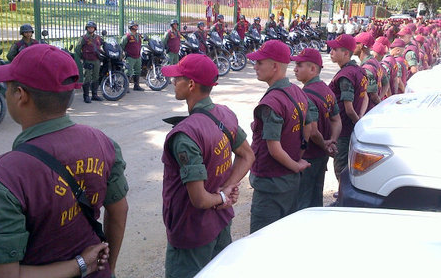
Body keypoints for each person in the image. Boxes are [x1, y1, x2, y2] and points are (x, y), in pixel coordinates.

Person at [0, 44, 129, 278]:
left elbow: (6, 274)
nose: (5, 94)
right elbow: (119, 210)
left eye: (8, 88)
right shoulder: (103, 142)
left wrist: (80, 264)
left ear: (20, 96)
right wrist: (110, 267)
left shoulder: (6, 176)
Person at [161, 54, 255, 278]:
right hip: (221, 222)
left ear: (191, 85)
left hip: (191, 232)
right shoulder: (224, 114)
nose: (173, 82)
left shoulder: (186, 135)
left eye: (178, 78)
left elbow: (200, 199)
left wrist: (222, 196)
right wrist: (226, 190)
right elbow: (247, 155)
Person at [246, 40, 315, 233]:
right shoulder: (297, 92)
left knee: (261, 240)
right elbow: (308, 127)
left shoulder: (272, 102)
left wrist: (296, 165)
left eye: (260, 62)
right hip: (290, 182)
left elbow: (273, 148)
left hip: (270, 183)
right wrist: (298, 158)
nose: (255, 66)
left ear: (275, 66)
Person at [292, 48, 342, 209]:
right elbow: (336, 120)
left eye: (299, 65)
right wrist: (332, 141)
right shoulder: (327, 90)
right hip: (321, 156)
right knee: (316, 197)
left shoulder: (305, 95)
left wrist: (325, 145)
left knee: (302, 202)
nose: (294, 69)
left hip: (309, 156)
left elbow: (312, 130)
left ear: (313, 69)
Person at [327, 34, 368, 180]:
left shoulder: (346, 75)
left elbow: (349, 108)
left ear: (345, 53)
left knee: (341, 169)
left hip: (344, 130)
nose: (331, 52)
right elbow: (365, 97)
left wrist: (358, 123)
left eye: (335, 49)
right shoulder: (359, 70)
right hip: (351, 127)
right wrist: (360, 119)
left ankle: (342, 200)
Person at [354, 32, 388, 111]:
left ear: (361, 46)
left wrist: (380, 107)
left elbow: (373, 96)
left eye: (355, 43)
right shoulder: (375, 61)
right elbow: (386, 84)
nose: (352, 46)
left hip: (368, 111)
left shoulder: (367, 68)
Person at [75, 21, 103, 103]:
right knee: (87, 78)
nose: (91, 29)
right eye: (89, 27)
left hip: (96, 60)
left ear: (95, 29)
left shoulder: (98, 37)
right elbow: (77, 49)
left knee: (96, 77)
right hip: (88, 60)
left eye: (92, 27)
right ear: (87, 28)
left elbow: (103, 43)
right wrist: (83, 57)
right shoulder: (83, 38)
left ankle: (94, 95)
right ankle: (86, 96)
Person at [120, 20, 144, 91]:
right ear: (130, 27)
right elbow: (121, 46)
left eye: (136, 26)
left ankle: (136, 86)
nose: (136, 27)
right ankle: (125, 87)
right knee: (128, 71)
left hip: (138, 56)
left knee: (138, 71)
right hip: (130, 57)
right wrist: (123, 54)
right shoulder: (127, 36)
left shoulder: (138, 35)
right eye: (134, 26)